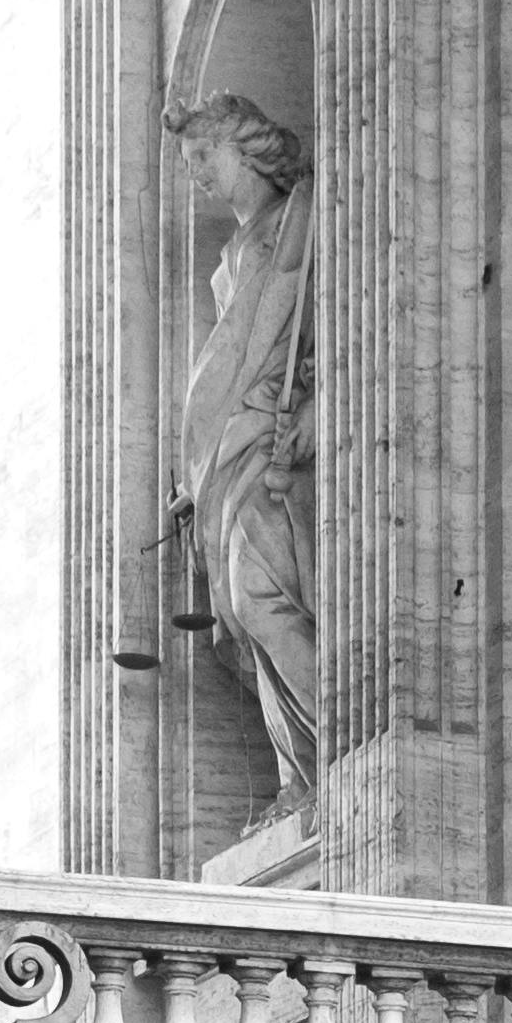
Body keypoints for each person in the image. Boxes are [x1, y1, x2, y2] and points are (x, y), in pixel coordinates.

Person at [167, 91, 318, 802]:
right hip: (233, 452)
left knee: (262, 596)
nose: (195, 170)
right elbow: (224, 366)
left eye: (204, 154)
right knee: (239, 607)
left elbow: (317, 332)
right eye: (188, 159)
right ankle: (298, 777)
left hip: (274, 439)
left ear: (246, 145)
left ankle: (336, 752)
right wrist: (198, 467)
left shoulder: (301, 222)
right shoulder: (234, 253)